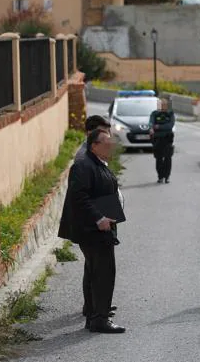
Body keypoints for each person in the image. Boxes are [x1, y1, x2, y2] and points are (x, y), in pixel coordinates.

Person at [58, 129, 126, 333]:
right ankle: (100, 319)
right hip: (93, 230)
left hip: (99, 228)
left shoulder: (96, 162)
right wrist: (99, 218)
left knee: (94, 271)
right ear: (94, 145)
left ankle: (93, 312)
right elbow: (79, 197)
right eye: (106, 142)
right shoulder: (83, 165)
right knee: (103, 272)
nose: (111, 144)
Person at [149, 99, 175, 183]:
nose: (162, 106)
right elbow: (151, 123)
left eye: (164, 104)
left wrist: (158, 127)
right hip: (157, 139)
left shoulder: (170, 114)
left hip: (167, 139)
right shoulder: (154, 113)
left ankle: (167, 177)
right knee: (158, 159)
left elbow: (170, 126)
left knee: (168, 158)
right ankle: (160, 176)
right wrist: (152, 127)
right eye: (161, 104)